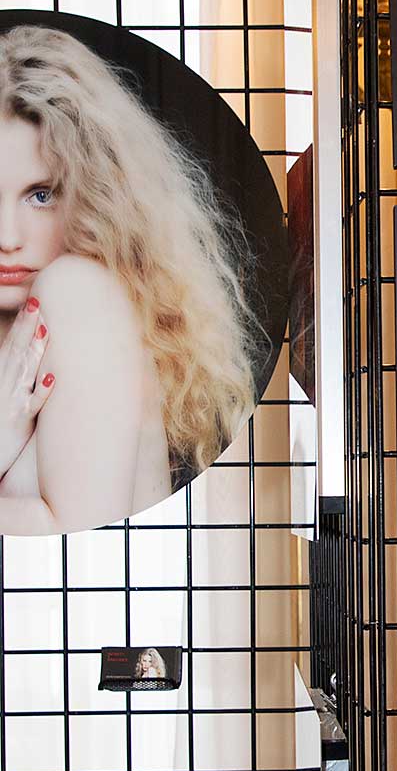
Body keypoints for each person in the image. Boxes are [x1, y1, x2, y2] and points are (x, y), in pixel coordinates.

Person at [0, 26, 262, 534]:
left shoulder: (76, 292)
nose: (8, 236)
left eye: (41, 195)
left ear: (90, 193)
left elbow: (82, 535)